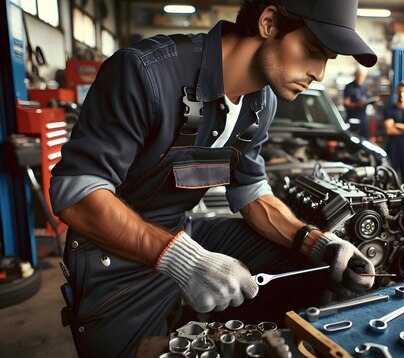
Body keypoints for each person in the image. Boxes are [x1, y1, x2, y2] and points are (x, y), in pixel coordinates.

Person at [49, 1, 377, 356]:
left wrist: (317, 243)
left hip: (182, 230)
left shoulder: (261, 103)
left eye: (328, 59)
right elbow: (76, 194)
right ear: (268, 23)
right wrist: (183, 259)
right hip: (111, 257)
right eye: (312, 51)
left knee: (313, 268)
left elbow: (251, 191)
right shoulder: (145, 73)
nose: (319, 73)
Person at [344, 66, 377, 139]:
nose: (360, 79)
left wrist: (372, 102)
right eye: (359, 76)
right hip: (353, 119)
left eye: (362, 77)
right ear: (355, 75)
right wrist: (357, 105)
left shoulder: (365, 86)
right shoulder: (349, 87)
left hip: (363, 118)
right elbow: (346, 104)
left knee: (366, 140)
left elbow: (368, 98)